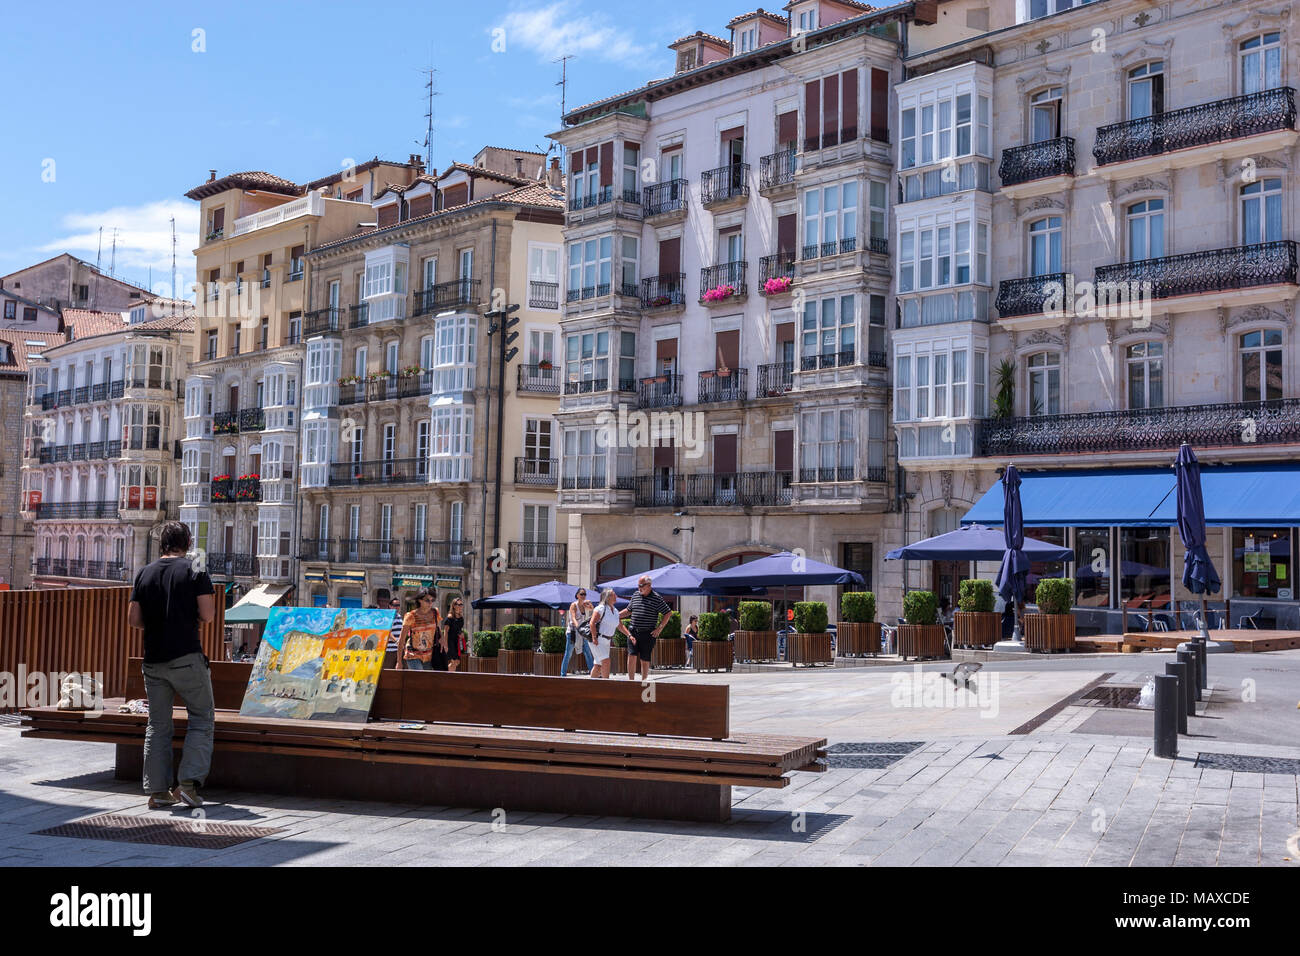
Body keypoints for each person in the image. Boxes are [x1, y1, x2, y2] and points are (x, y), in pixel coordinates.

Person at [127, 521, 215, 810]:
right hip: (186, 657)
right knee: (201, 718)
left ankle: (157, 791)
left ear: (161, 544)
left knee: (158, 724)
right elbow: (208, 615)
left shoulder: (144, 573)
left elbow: (135, 620)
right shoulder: (195, 570)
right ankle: (188, 785)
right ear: (188, 543)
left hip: (153, 659)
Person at [621, 575, 671, 681]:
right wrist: (615, 615)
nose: (639, 588)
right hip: (633, 631)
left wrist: (659, 628)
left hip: (648, 633)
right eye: (638, 585)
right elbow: (629, 610)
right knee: (632, 655)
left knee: (644, 659)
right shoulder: (635, 595)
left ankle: (644, 682)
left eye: (641, 585)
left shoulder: (656, 598)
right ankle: (631, 681)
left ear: (649, 585)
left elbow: (668, 613)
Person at [588, 589, 628, 679]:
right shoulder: (600, 608)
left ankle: (590, 686)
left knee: (598, 665)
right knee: (606, 661)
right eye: (614, 595)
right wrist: (594, 638)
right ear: (608, 597)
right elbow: (592, 623)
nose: (616, 596)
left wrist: (629, 635)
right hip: (597, 639)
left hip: (606, 640)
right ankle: (606, 685)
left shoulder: (615, 611)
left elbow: (620, 626)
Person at [397, 589, 440, 670]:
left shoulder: (435, 613)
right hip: (413, 655)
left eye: (432, 600)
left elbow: (437, 629)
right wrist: (399, 661)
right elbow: (401, 640)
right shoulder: (411, 616)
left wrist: (443, 641)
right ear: (420, 600)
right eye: (427, 600)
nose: (430, 603)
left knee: (427, 681)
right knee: (418, 680)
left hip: (430, 655)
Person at [562, 588, 595, 677]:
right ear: (577, 595)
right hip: (573, 631)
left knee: (587, 652)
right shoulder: (574, 605)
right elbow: (573, 618)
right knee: (568, 653)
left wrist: (589, 603)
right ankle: (563, 674)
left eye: (584, 594)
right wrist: (578, 627)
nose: (583, 596)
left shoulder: (584, 605)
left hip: (582, 632)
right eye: (581, 594)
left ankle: (593, 672)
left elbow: (592, 609)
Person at [441, 596, 465, 672]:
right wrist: (445, 645)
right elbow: (446, 632)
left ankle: (447, 674)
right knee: (454, 661)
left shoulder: (461, 618)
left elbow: (459, 629)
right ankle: (449, 676)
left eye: (461, 604)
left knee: (457, 661)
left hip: (456, 642)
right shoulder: (449, 618)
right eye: (459, 604)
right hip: (450, 642)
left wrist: (461, 634)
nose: (460, 606)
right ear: (454, 606)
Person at [384, 597, 403, 670]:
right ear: (390, 606)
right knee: (388, 671)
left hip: (398, 650)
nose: (397, 607)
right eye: (395, 605)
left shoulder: (399, 616)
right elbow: (388, 632)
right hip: (390, 650)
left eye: (398, 605)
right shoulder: (388, 617)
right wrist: (397, 641)